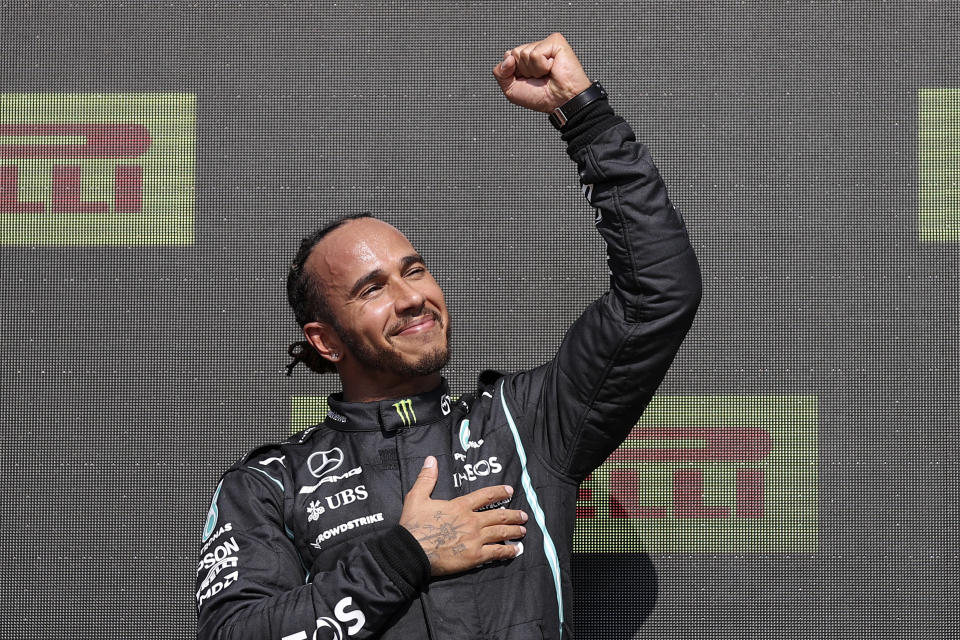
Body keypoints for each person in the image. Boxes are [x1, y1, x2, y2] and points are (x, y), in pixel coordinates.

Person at [195, 33, 701, 640]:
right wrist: (403, 555)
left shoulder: (524, 423)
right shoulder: (272, 483)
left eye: (414, 270)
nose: (412, 297)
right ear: (324, 341)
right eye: (372, 288)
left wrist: (583, 115)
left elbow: (657, 292)